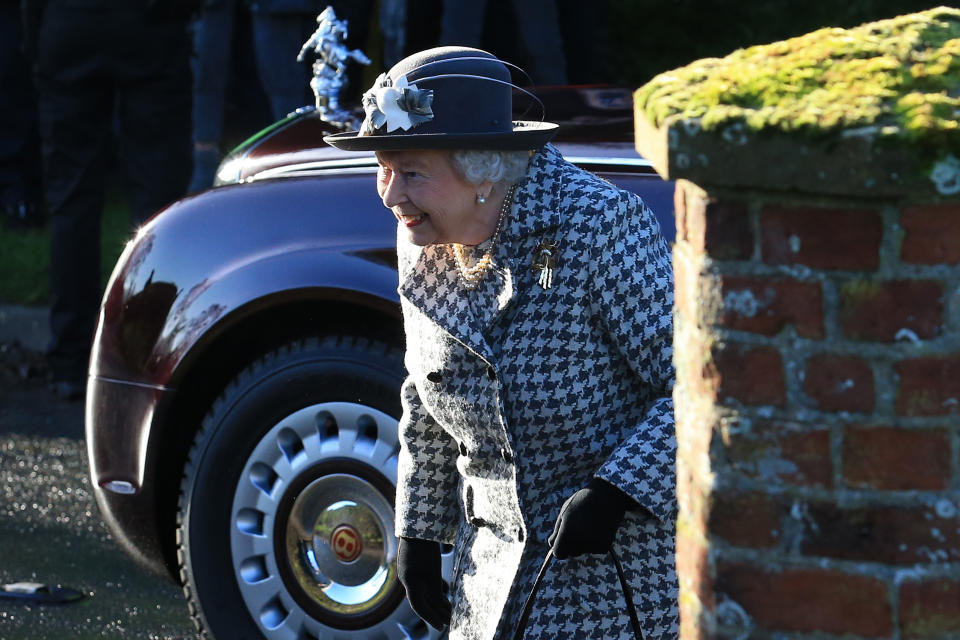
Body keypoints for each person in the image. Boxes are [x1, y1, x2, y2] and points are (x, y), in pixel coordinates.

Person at [325, 47, 678, 638]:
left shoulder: (599, 226)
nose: (390, 193)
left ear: (483, 171)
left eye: (410, 172)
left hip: (611, 584)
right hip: (485, 578)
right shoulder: (424, 232)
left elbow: (696, 386)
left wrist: (616, 492)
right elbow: (427, 388)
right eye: (382, 167)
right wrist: (418, 530)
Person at [28, 0, 196, 399]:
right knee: (158, 204)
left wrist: (41, 30)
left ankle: (69, 361)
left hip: (69, 25)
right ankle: (150, 356)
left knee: (72, 200)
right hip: (150, 26)